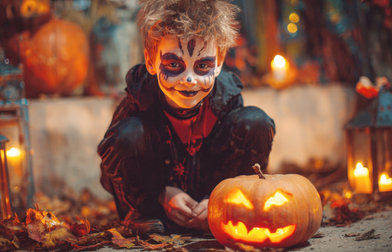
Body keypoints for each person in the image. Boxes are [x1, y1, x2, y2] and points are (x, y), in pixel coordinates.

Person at [98, 0, 275, 232]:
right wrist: (161, 194)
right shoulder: (140, 98)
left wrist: (218, 198)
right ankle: (142, 215)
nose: (189, 80)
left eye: (202, 66)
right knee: (128, 134)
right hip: (155, 206)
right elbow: (110, 170)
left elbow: (242, 157)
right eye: (173, 64)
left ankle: (225, 208)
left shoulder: (226, 98)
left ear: (219, 61)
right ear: (151, 61)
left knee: (255, 122)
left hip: (211, 196)